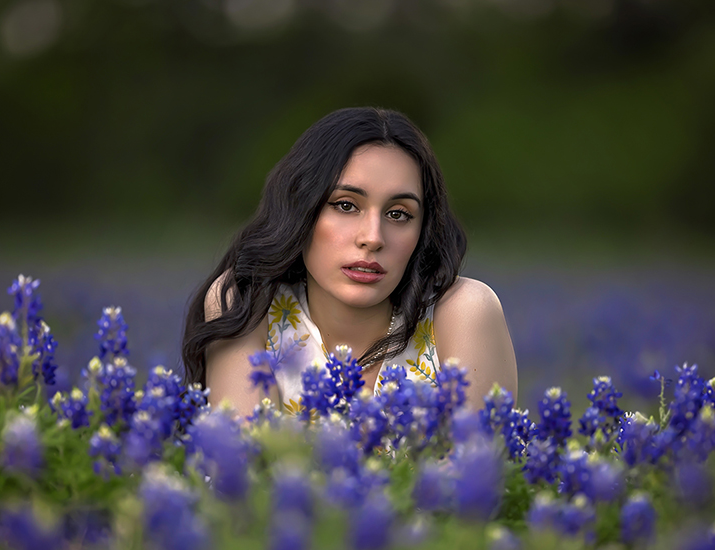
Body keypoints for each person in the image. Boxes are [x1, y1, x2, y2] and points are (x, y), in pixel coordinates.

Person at [181, 107, 516, 417]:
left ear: (422, 229)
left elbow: (480, 471)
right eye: (345, 205)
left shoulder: (463, 312)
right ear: (302, 210)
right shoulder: (247, 303)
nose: (372, 237)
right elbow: (239, 468)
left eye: (398, 214)